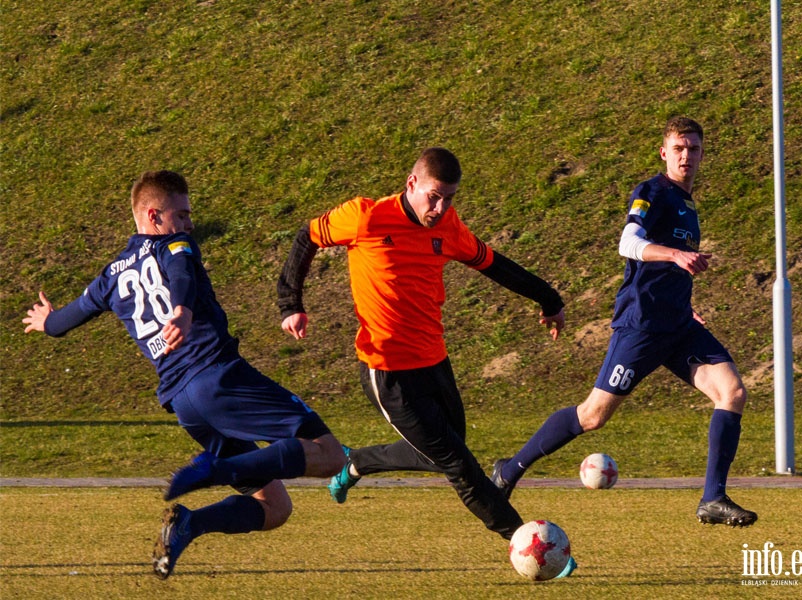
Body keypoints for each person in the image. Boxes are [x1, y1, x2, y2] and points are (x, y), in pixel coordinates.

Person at [23, 170, 347, 579]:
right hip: (218, 377)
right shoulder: (173, 244)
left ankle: (190, 524)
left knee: (275, 507)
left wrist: (46, 321)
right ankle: (217, 470)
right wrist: (183, 309)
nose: (190, 223)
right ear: (155, 216)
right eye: (182, 214)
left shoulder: (110, 276)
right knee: (331, 454)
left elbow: (64, 322)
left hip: (185, 404)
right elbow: (181, 274)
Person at [277, 147, 576, 575]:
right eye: (434, 196)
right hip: (388, 371)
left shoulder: (448, 227)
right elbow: (306, 237)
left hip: (434, 362)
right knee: (460, 466)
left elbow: (493, 264)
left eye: (449, 198)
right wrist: (290, 303)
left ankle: (356, 461)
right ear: (412, 184)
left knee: (447, 453)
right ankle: (529, 543)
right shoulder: (365, 217)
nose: (440, 208)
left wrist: (547, 297)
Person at [491, 117, 758, 528]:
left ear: (703, 154)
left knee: (732, 391)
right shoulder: (652, 192)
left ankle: (713, 498)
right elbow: (628, 243)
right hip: (642, 326)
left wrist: (685, 306)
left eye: (694, 148)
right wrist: (674, 254)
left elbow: (666, 274)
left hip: (679, 326)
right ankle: (510, 470)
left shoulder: (688, 205)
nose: (687, 155)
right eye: (679, 148)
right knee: (593, 415)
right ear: (664, 153)